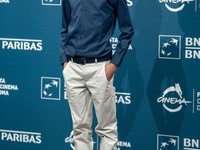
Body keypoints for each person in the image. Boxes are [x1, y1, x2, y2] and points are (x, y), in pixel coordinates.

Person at [59, 0, 134, 149]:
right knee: (80, 129)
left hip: (100, 68)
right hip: (73, 68)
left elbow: (127, 31)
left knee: (107, 130)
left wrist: (113, 65)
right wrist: (65, 62)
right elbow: (65, 28)